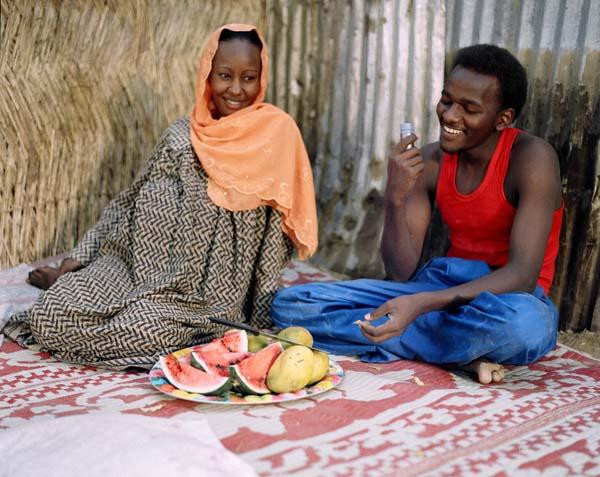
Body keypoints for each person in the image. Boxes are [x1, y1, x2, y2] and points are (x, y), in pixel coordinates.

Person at [6, 24, 318, 369]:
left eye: (249, 77)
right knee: (51, 315)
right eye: (224, 75)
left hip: (200, 298)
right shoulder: (180, 135)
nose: (235, 89)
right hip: (130, 266)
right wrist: (80, 256)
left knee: (140, 329)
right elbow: (130, 199)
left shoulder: (276, 136)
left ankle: (117, 314)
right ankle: (71, 284)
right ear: (206, 76)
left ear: (262, 79)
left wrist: (259, 313)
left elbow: (277, 233)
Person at [271, 44, 563, 384]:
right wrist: (394, 196)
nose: (450, 116)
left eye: (469, 108)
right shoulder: (431, 162)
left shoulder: (532, 159)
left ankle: (414, 340)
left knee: (527, 329)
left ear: (503, 119)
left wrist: (421, 304)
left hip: (508, 300)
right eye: (447, 100)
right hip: (440, 284)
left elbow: (523, 275)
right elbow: (402, 270)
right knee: (292, 305)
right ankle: (461, 354)